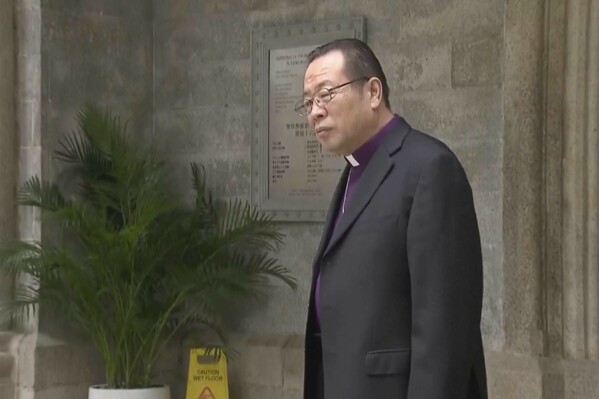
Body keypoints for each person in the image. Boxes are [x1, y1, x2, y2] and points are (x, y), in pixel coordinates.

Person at [295, 38, 487, 399]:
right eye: (308, 102)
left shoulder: (429, 168)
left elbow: (443, 333)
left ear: (373, 92)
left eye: (326, 93)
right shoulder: (354, 172)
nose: (315, 112)